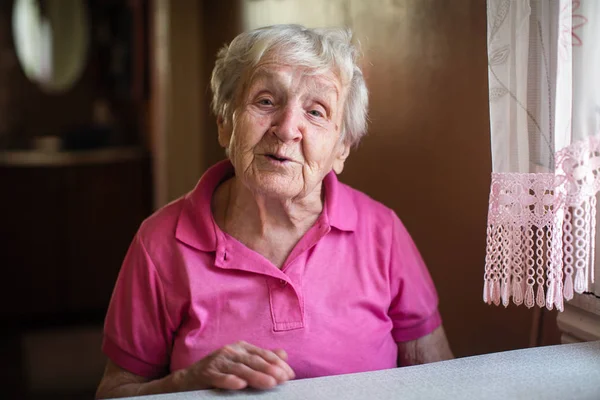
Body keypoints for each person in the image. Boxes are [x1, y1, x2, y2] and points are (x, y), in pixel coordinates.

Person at [95, 24, 453, 399]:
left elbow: (440, 380)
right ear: (224, 122)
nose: (286, 129)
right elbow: (114, 392)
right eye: (265, 101)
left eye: (316, 112)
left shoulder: (383, 232)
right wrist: (185, 386)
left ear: (342, 148)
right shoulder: (160, 242)